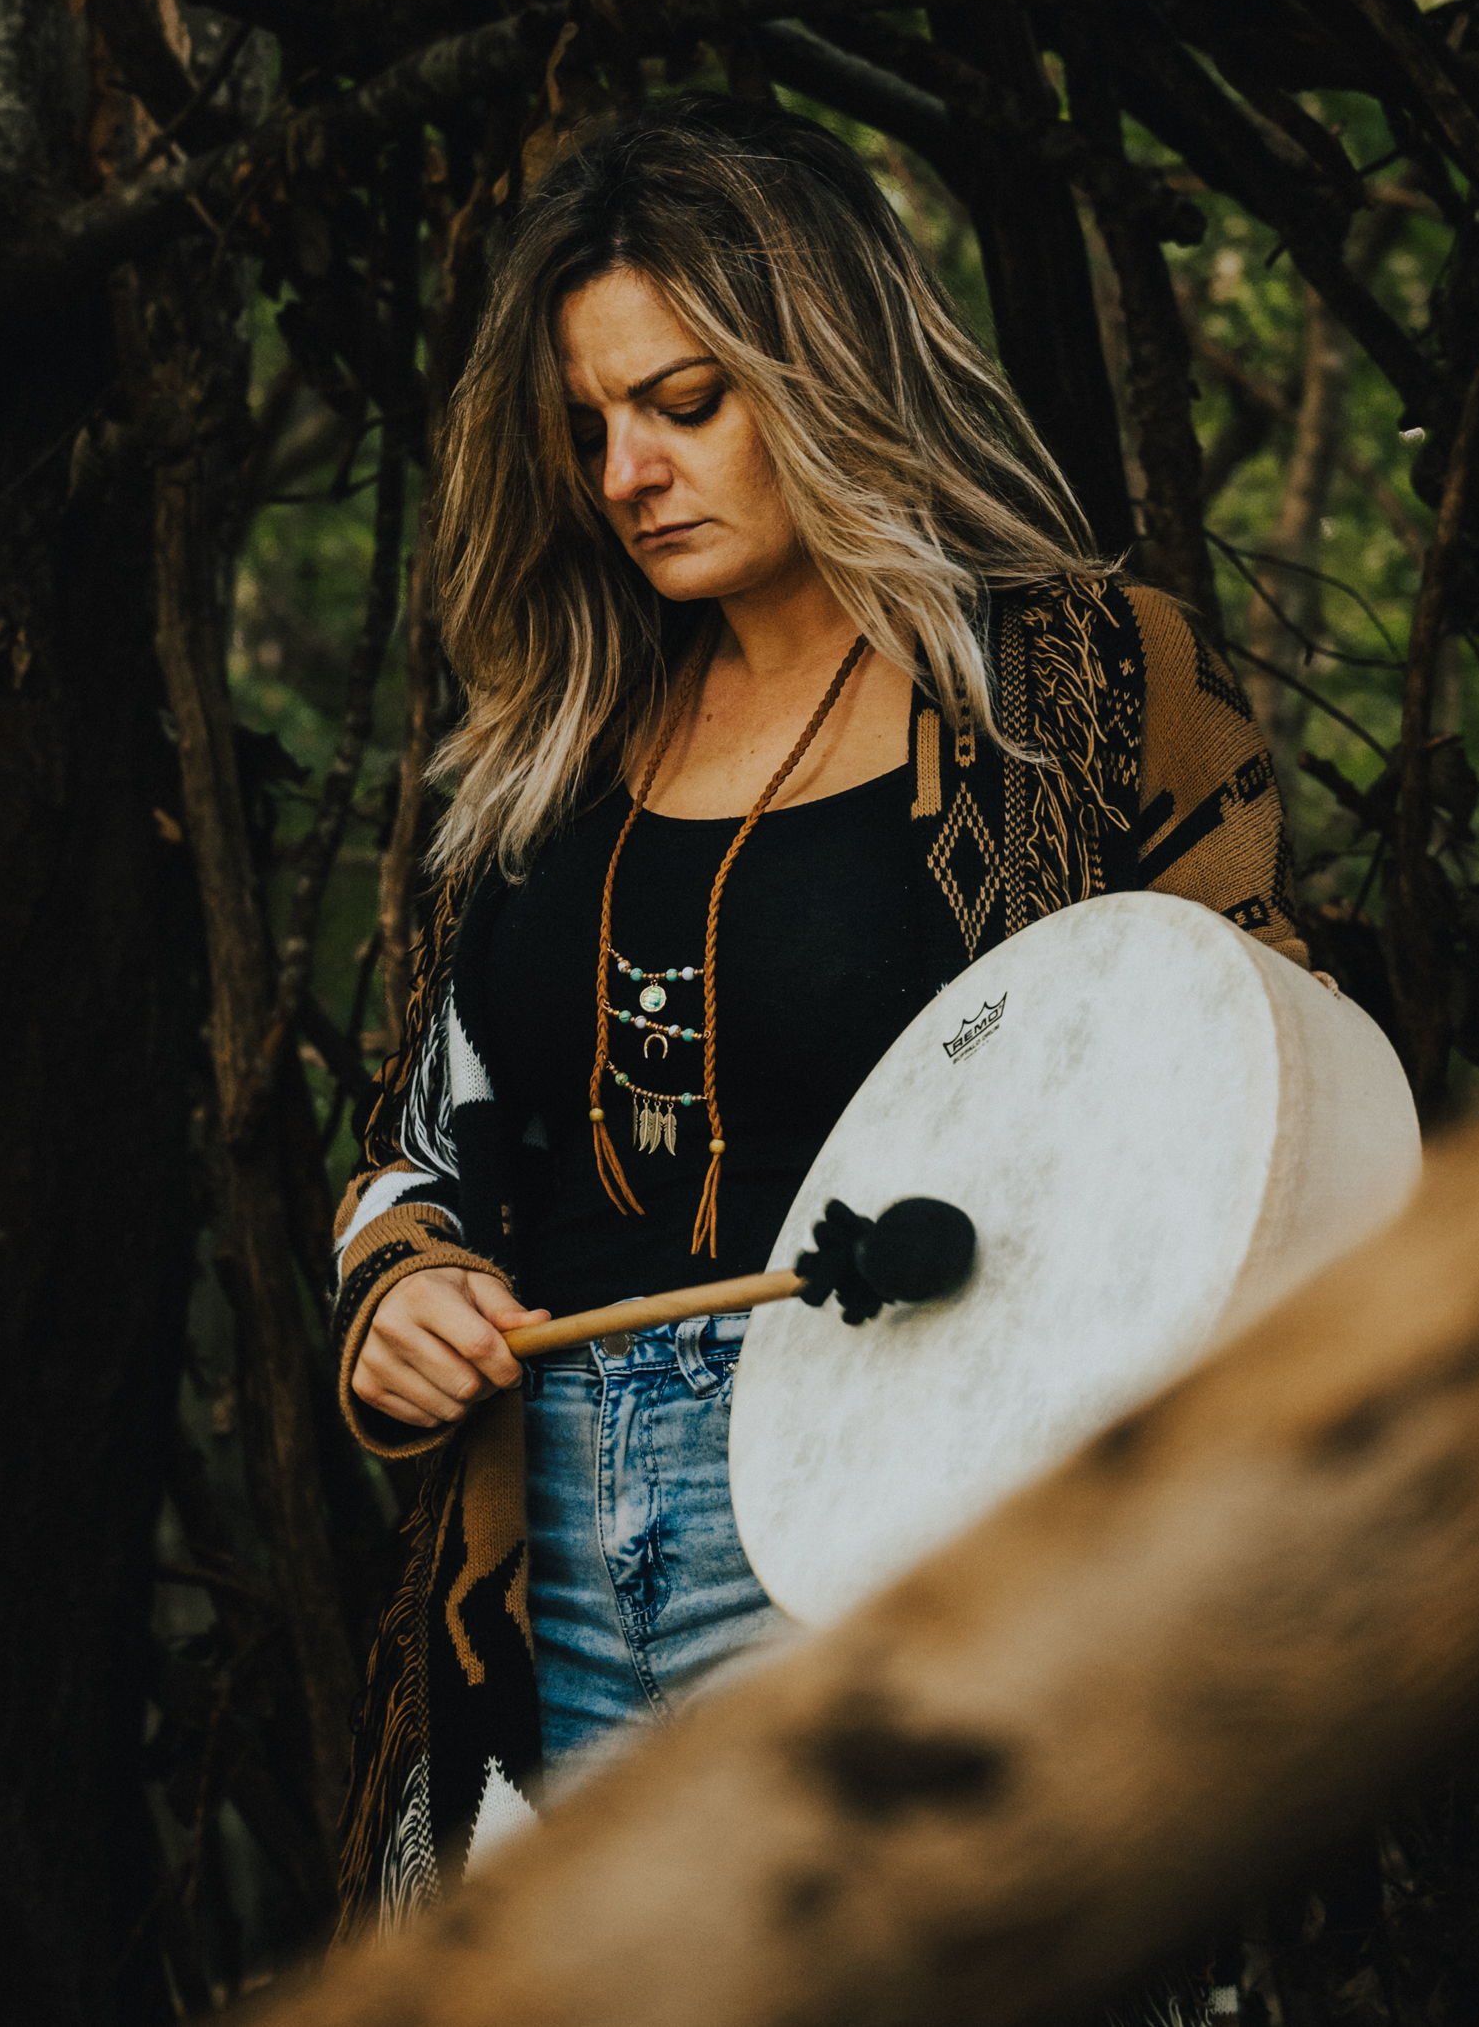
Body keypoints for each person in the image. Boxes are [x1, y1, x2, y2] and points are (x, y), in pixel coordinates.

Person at [327, 94, 1304, 1928]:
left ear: (830, 370)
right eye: (589, 426)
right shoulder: (551, 734)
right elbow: (415, 1140)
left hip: (898, 1535)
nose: (628, 471)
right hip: (537, 1553)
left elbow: (1259, 1093)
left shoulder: (1075, 691)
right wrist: (402, 1292)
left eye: (684, 403)